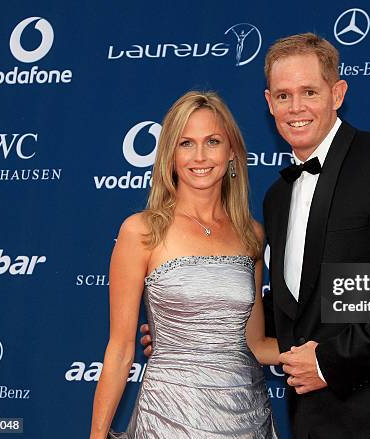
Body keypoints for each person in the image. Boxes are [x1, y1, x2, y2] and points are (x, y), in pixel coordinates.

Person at [142, 33, 370, 438]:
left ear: (337, 93)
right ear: (269, 103)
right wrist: (195, 330)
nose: (295, 108)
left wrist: (330, 361)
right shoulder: (277, 198)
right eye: (283, 96)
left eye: (309, 92)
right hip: (318, 422)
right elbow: (303, 305)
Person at [90, 91, 280, 439]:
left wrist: (327, 351)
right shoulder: (141, 230)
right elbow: (119, 349)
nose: (200, 156)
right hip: (167, 419)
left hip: (246, 420)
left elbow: (254, 344)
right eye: (186, 144)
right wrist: (96, 436)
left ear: (232, 151)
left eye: (212, 141)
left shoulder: (251, 235)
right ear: (170, 155)